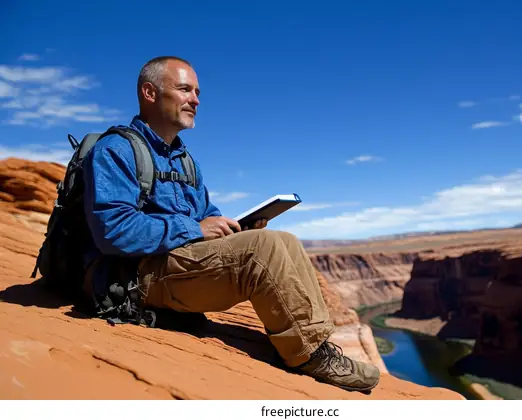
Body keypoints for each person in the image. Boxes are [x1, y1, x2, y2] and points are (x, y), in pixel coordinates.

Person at [81, 56, 380, 393]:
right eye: (184, 89)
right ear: (149, 93)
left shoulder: (184, 160)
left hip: (176, 266)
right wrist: (196, 230)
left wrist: (240, 229)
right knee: (263, 250)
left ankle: (316, 342)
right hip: (136, 278)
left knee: (283, 241)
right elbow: (114, 231)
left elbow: (209, 217)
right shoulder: (115, 150)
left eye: (197, 91)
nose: (195, 99)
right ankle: (307, 354)